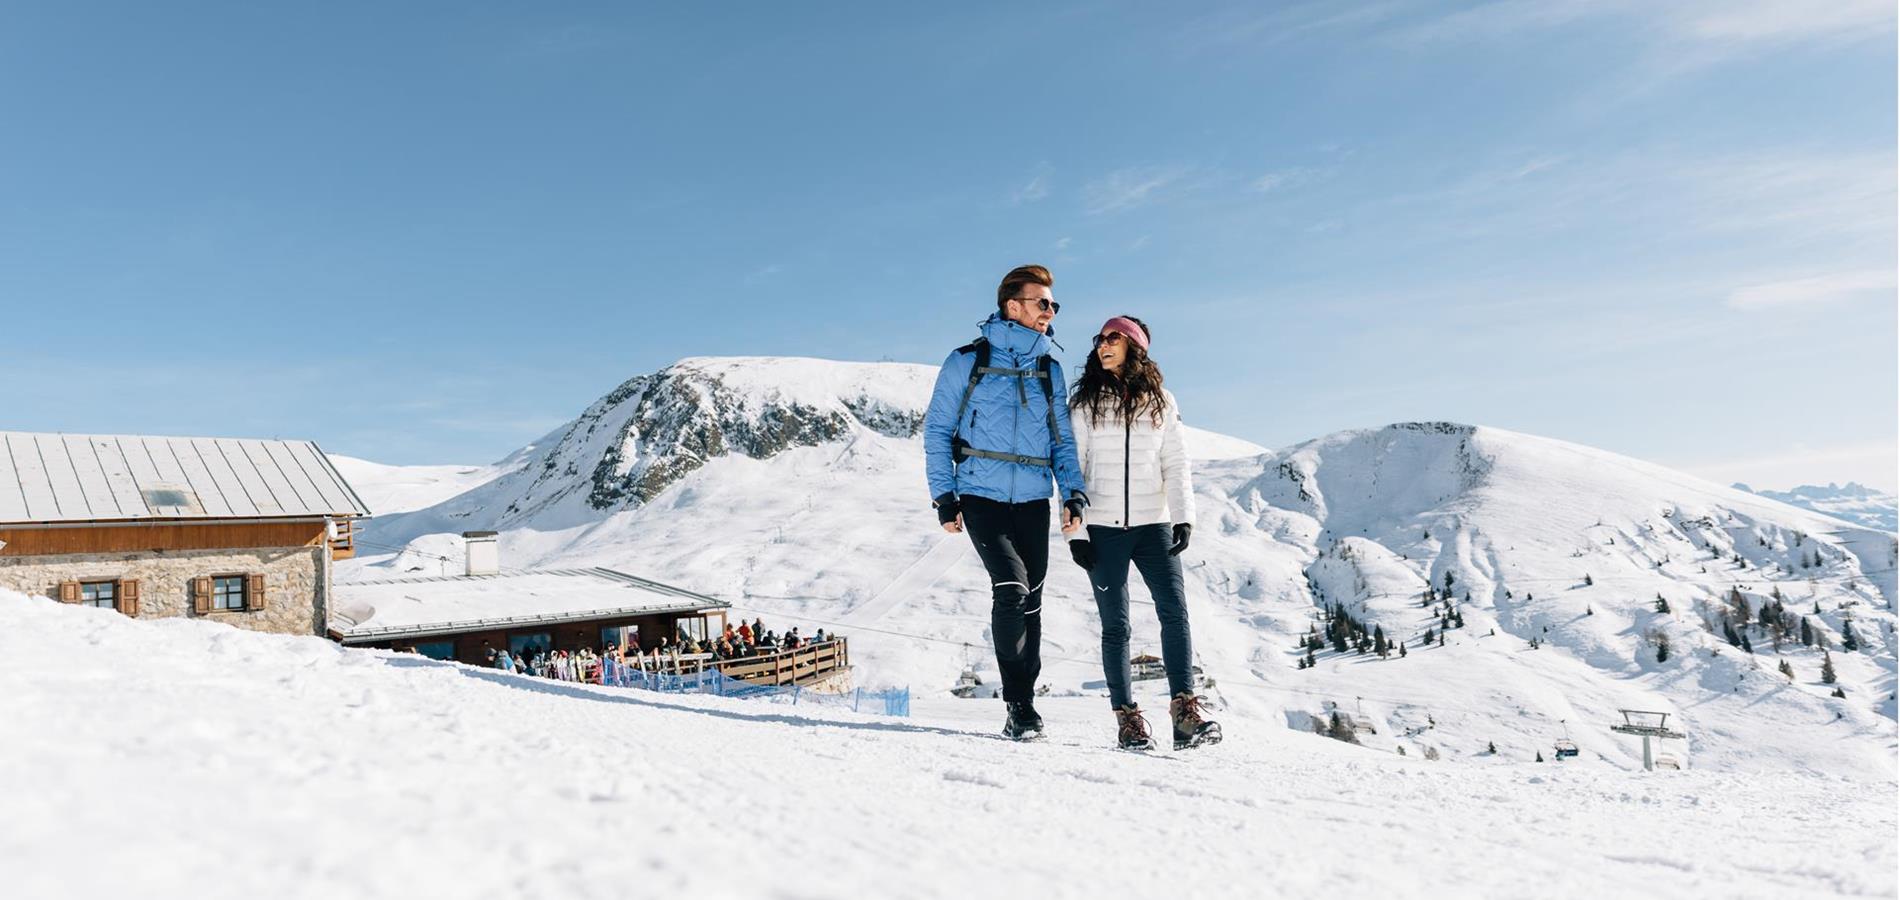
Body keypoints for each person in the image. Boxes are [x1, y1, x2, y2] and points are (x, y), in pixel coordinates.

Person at [924, 264, 1088, 741]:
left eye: (1054, 304)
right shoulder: (965, 361)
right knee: (1012, 588)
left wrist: (1071, 490)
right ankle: (1018, 706)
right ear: (1013, 306)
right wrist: (944, 495)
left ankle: (1025, 703)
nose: (1050, 312)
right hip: (980, 495)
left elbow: (1062, 440)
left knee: (1032, 601)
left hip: (1034, 499)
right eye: (1043, 303)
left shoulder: (1048, 370)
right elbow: (937, 430)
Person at [1063, 315, 1220, 751]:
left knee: (1175, 613)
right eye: (1099, 339)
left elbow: (1176, 462)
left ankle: (1184, 714)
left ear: (1135, 346)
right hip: (1102, 529)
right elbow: (1072, 470)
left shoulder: (1162, 402)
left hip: (1155, 525)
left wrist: (1184, 516)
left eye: (1113, 337)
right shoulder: (1085, 404)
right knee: (1116, 626)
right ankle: (1127, 720)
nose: (1102, 345)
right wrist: (1075, 536)